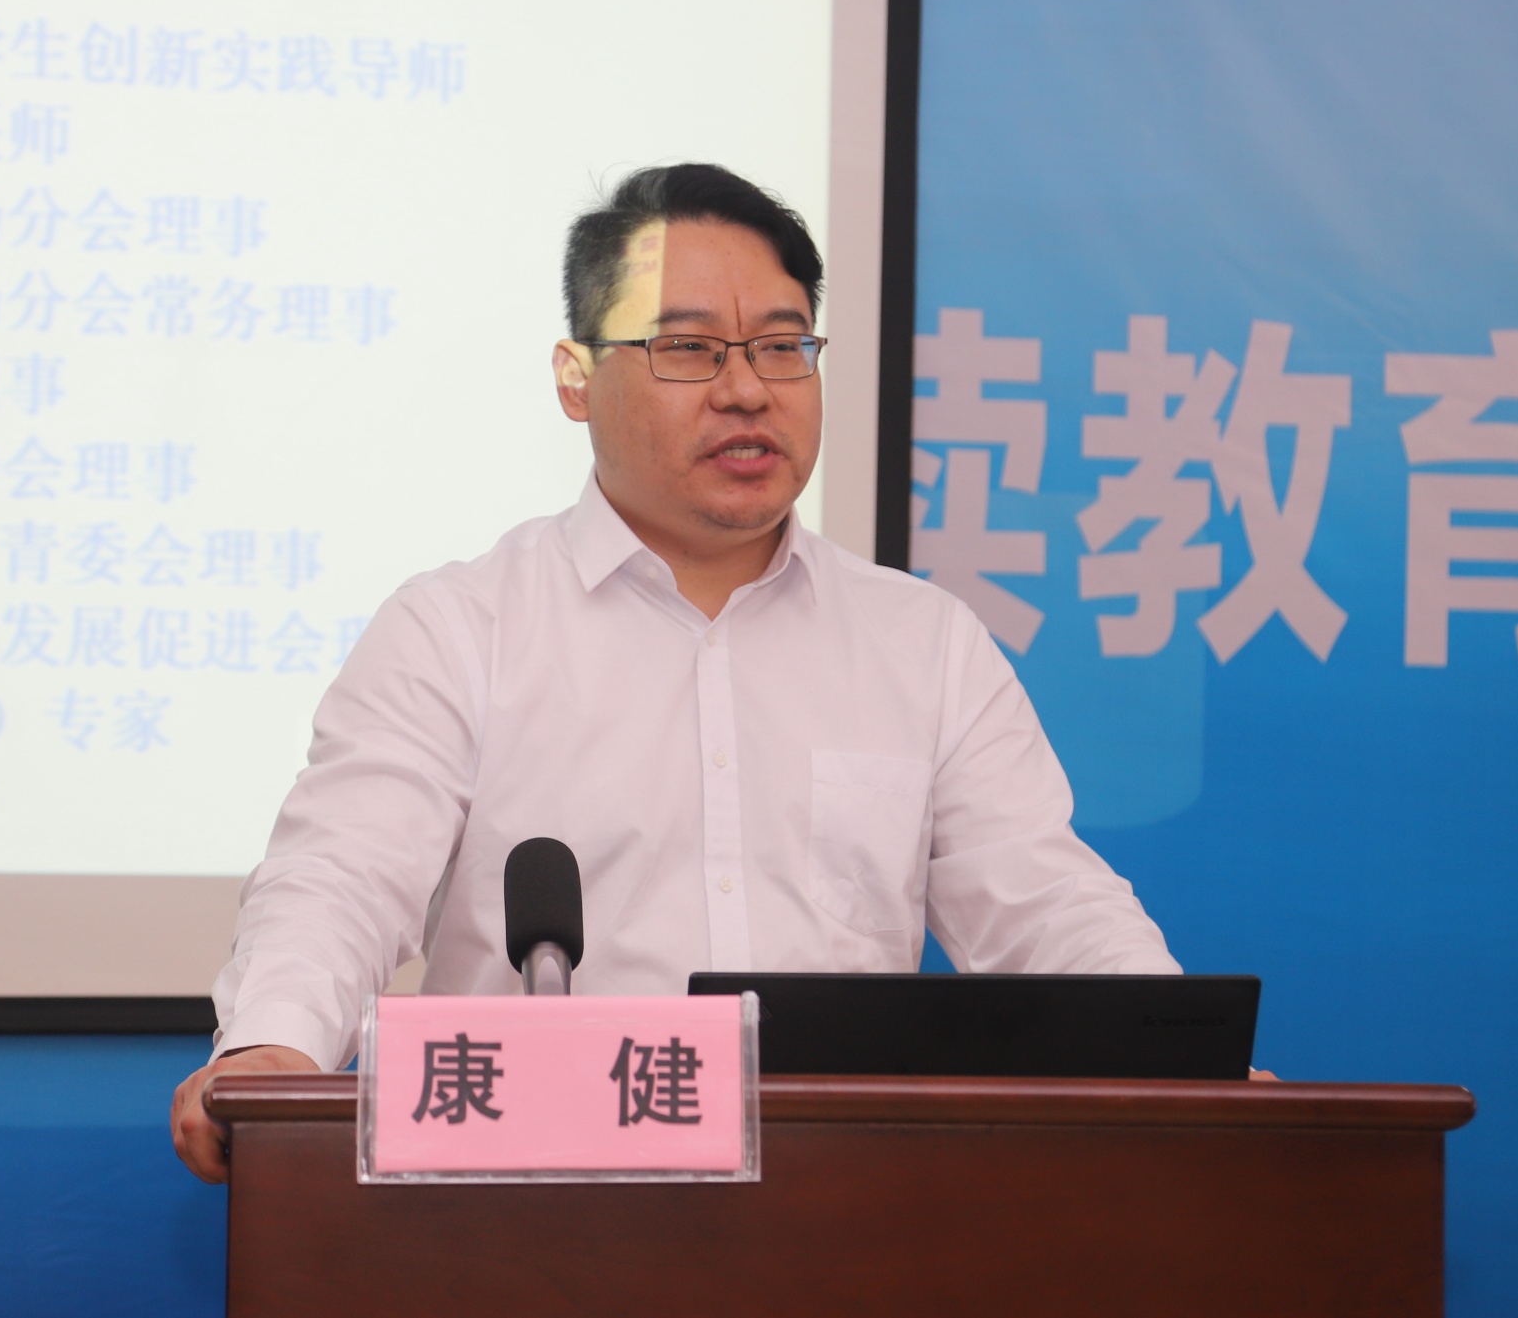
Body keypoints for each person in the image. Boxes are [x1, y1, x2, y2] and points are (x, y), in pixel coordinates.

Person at [171, 162, 1180, 1183]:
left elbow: (1041, 899)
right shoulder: (460, 628)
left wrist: (1182, 1063)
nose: (747, 389)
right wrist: (273, 1043)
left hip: (841, 1207)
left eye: (783, 346)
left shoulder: (923, 644)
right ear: (575, 378)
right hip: (522, 1214)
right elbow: (342, 874)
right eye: (688, 348)